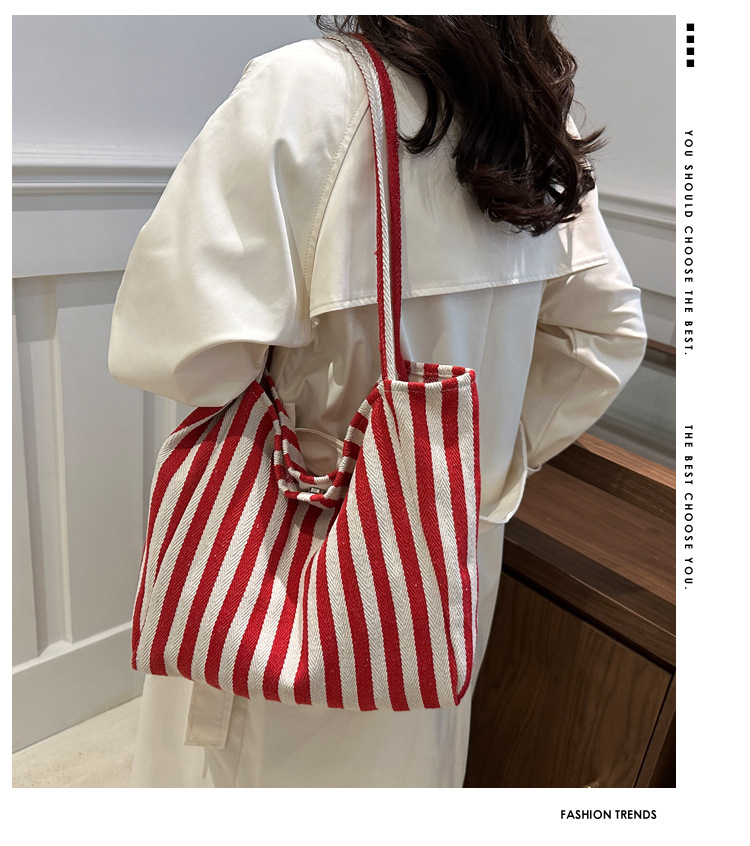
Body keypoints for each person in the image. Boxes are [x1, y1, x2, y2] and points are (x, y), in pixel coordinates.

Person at [108, 16, 646, 788]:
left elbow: (182, 355)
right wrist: (467, 464)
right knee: (408, 763)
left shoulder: (308, 88)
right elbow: (605, 337)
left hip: (293, 546)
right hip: (445, 551)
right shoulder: (535, 120)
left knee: (256, 778)